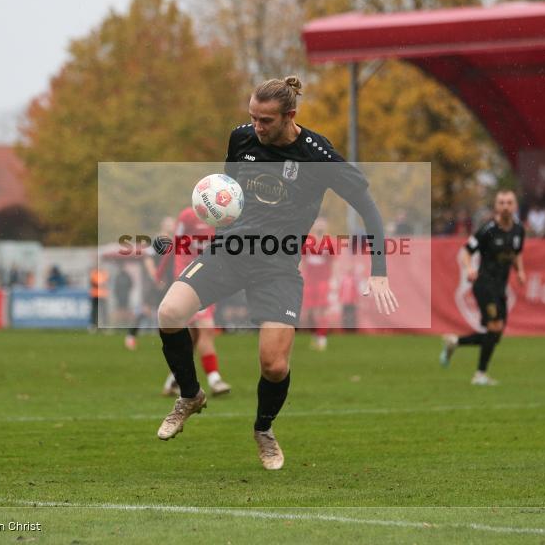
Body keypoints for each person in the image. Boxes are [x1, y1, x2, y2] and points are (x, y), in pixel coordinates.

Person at [155, 76, 398, 470]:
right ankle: (190, 395)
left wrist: (380, 270)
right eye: (252, 117)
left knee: (274, 365)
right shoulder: (241, 138)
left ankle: (263, 429)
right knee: (169, 312)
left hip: (278, 266)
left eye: (265, 120)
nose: (257, 127)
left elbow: (368, 208)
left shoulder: (318, 155)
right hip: (229, 253)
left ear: (290, 116)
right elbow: (229, 191)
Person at [440, 190, 526, 386]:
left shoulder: (519, 230)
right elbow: (466, 251)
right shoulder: (487, 229)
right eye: (501, 203)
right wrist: (469, 268)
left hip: (500, 286)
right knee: (494, 328)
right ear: (496, 206)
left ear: (515, 206)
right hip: (484, 284)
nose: (505, 206)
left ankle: (456, 342)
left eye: (509, 202)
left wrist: (520, 271)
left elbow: (516, 253)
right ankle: (479, 375)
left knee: (495, 335)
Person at [160, 206, 232, 397]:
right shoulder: (187, 216)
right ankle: (214, 379)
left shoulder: (225, 219)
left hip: (209, 278)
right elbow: (175, 245)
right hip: (189, 278)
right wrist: (160, 274)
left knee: (193, 336)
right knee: (205, 327)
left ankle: (174, 379)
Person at [125, 216, 175, 351]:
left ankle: (169, 340)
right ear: (163, 225)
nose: (172, 226)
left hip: (169, 282)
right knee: (146, 309)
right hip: (157, 282)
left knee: (167, 311)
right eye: (169, 224)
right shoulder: (157, 240)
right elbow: (148, 259)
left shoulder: (175, 242)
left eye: (173, 224)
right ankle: (131, 336)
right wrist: (155, 277)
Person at [300, 217, 334, 351]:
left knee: (320, 311)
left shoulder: (330, 243)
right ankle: (316, 334)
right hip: (309, 282)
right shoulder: (308, 242)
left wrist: (333, 280)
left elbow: (334, 263)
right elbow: (303, 262)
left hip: (323, 282)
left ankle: (322, 337)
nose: (320, 226)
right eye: (318, 224)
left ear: (326, 227)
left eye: (322, 224)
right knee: (309, 313)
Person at [89, 266, 109, 332]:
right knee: (95, 311)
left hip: (103, 295)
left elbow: (106, 282)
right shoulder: (94, 273)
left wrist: (100, 284)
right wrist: (99, 284)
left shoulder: (104, 273)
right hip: (95, 295)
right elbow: (92, 283)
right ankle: (94, 325)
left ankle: (104, 326)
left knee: (103, 311)